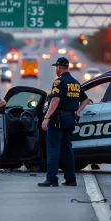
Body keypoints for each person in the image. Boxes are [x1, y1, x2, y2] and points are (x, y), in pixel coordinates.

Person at [38, 57, 89, 187]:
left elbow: (55, 100)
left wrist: (46, 118)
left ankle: (51, 179)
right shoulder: (75, 83)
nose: (56, 69)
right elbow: (85, 100)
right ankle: (70, 179)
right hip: (70, 119)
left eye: (56, 67)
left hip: (58, 119)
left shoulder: (59, 82)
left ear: (59, 67)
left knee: (53, 148)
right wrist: (77, 112)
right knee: (67, 149)